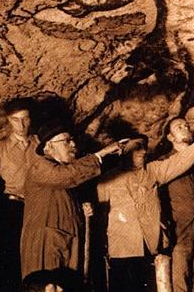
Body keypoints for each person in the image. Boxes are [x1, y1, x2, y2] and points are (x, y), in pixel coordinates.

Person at [97, 121, 194, 292]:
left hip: (149, 248)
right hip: (121, 251)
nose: (142, 151)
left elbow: (181, 160)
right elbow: (101, 218)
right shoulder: (106, 181)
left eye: (143, 147)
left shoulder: (153, 171)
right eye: (137, 147)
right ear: (121, 149)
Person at [20, 119, 122, 279]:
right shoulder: (40, 166)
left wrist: (81, 211)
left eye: (73, 140)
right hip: (47, 245)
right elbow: (67, 176)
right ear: (49, 146)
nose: (73, 145)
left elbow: (62, 198)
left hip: (64, 242)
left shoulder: (65, 172)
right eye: (66, 141)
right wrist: (100, 154)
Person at [0, 98, 39, 286]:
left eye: (25, 119)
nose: (21, 125)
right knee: (11, 257)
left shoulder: (40, 145)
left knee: (35, 255)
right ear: (8, 120)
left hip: (37, 207)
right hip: (11, 208)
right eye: (16, 120)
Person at [161, 118, 194, 292]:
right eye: (179, 127)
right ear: (170, 137)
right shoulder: (164, 163)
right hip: (178, 233)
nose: (185, 128)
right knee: (179, 283)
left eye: (187, 126)